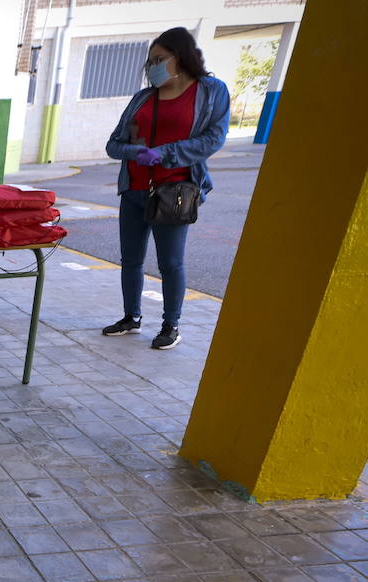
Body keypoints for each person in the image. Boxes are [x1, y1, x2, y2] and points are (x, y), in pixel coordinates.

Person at [103, 27, 230, 350]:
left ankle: (171, 325)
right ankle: (131, 317)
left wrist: (165, 153)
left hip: (173, 192)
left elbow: (212, 140)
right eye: (150, 62)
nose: (153, 67)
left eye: (159, 59)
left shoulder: (211, 91)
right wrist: (136, 152)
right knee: (130, 259)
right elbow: (114, 144)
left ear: (180, 57)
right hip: (133, 188)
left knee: (170, 263)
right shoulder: (143, 98)